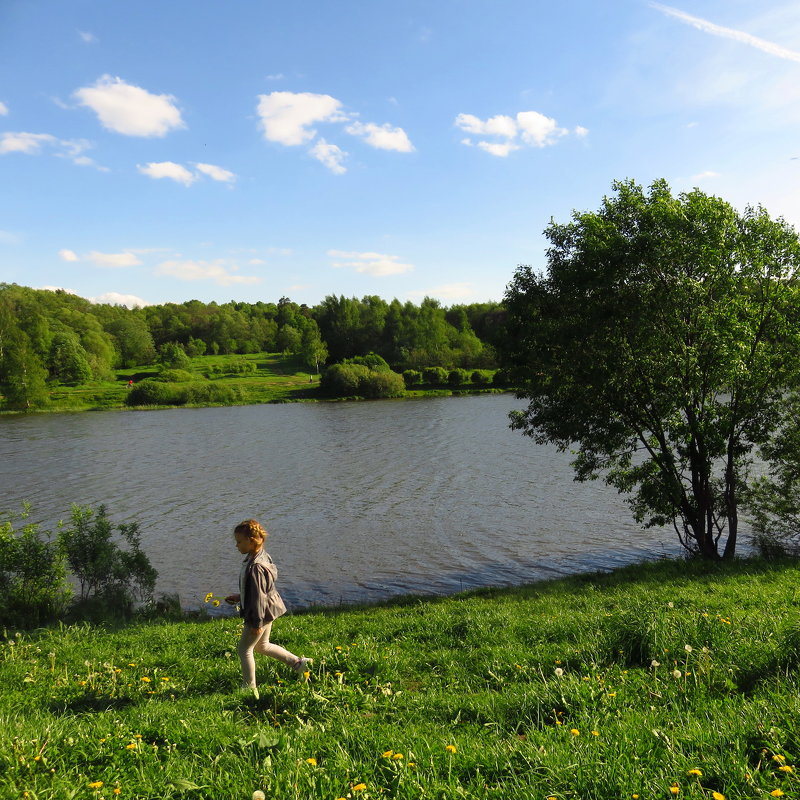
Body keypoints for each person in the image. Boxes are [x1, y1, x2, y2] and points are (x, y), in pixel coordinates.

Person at [224, 519, 309, 695]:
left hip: (260, 613)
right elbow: (258, 590)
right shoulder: (260, 556)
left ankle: (249, 687)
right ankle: (298, 664)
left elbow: (258, 598)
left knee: (244, 650)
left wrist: (256, 623)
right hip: (268, 610)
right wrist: (241, 597)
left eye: (239, 541)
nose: (236, 545)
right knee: (262, 646)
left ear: (252, 540)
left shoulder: (255, 567)